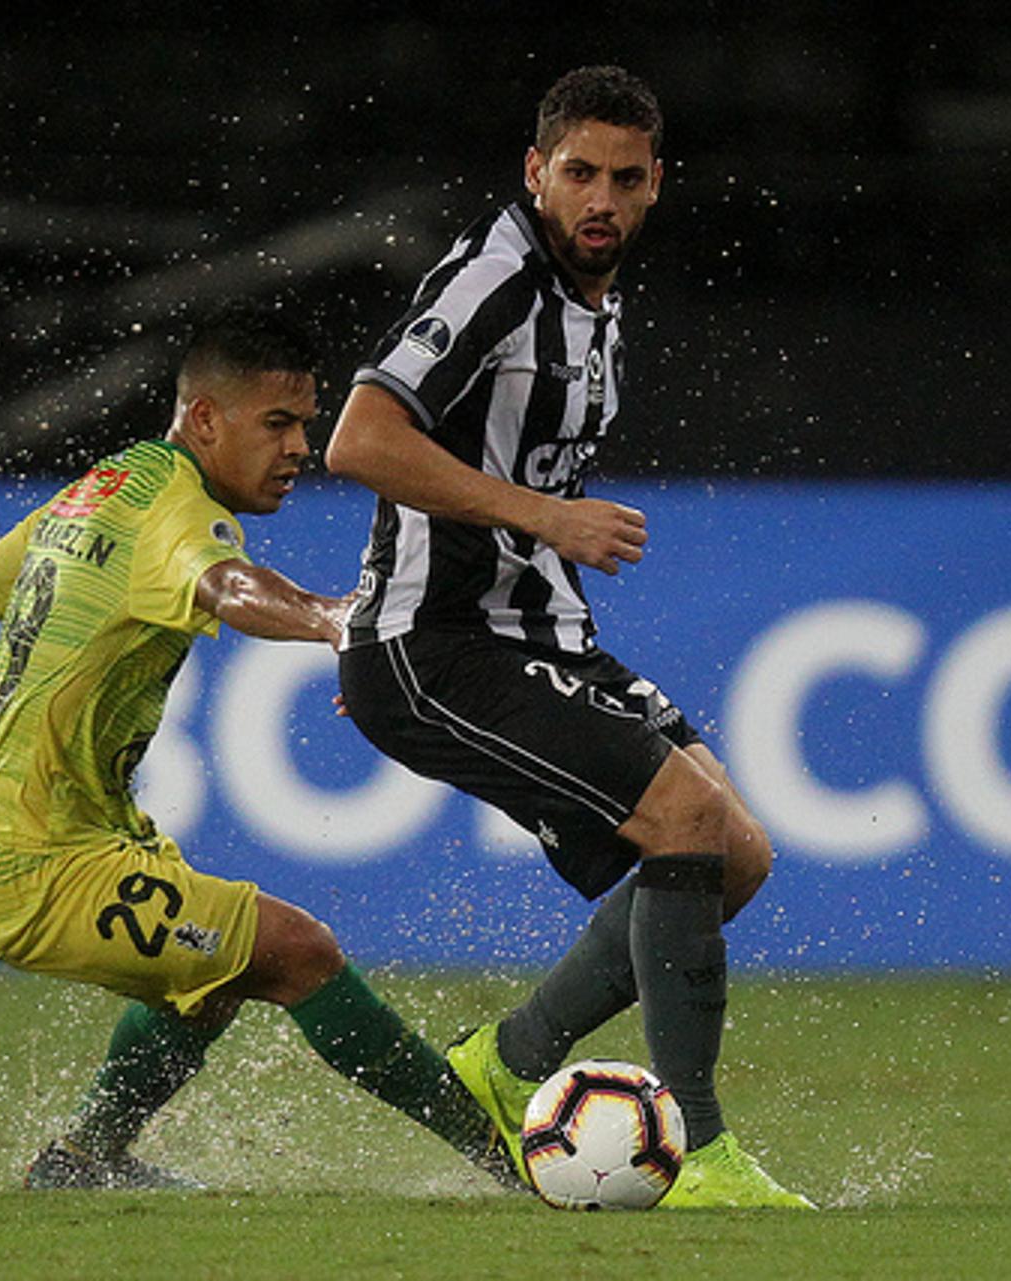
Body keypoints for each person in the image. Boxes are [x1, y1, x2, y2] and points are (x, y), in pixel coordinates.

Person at [0, 301, 518, 1193]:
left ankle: (82, 1160)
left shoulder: (106, 486)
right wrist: (338, 622)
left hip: (54, 837)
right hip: (37, 864)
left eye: (307, 423)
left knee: (209, 971)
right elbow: (228, 586)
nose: (300, 447)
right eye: (279, 423)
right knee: (299, 951)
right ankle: (507, 1158)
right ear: (205, 418)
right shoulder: (176, 512)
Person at [325, 66, 811, 1209]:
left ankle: (503, 1067)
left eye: (625, 179)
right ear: (535, 171)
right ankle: (698, 1154)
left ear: (654, 189)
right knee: (684, 818)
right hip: (439, 641)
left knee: (733, 852)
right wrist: (542, 522)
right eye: (578, 173)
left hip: (525, 629)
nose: (600, 197)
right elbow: (360, 439)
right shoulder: (496, 277)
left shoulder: (592, 299)